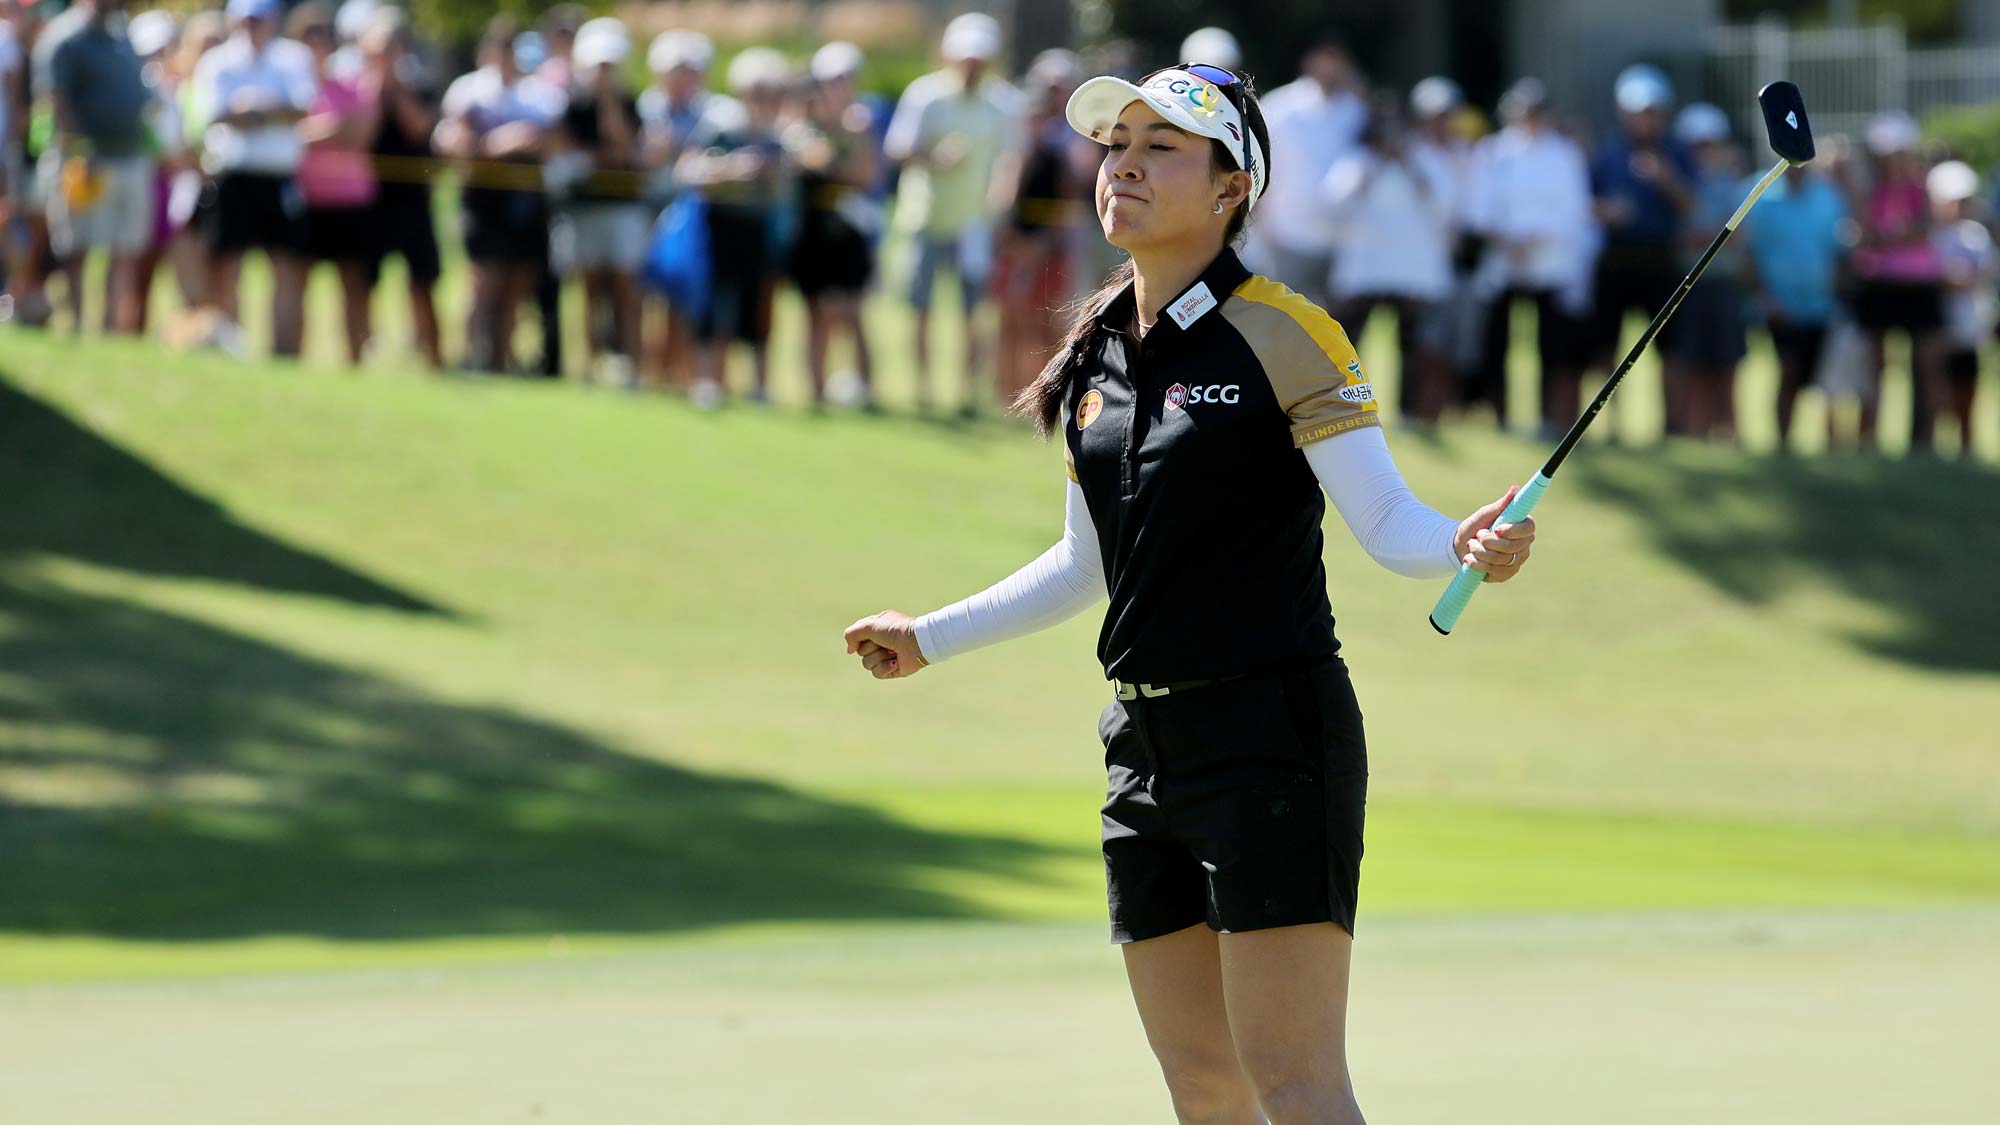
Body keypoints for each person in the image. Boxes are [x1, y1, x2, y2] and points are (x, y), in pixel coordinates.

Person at [842, 64, 1539, 1125]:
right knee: (1204, 1091)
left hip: (1269, 735)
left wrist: (1462, 541)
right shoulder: (1093, 359)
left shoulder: (1286, 332)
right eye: (1115, 143)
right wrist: (927, 635)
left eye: (1160, 147)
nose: (1123, 162)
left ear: (1229, 189)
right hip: (1141, 750)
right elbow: (1086, 565)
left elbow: (1391, 526)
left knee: (1295, 1085)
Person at [882, 11, 1021, 415]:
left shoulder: (1003, 102)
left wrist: (1001, 204)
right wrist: (934, 158)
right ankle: (923, 391)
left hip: (974, 224)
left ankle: (965, 392)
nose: (971, 67)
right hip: (924, 219)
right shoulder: (924, 94)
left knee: (972, 312)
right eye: (966, 59)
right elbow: (899, 150)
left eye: (978, 59)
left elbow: (1011, 160)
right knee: (920, 308)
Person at [1465, 77, 1594, 433]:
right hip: (1502, 264)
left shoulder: (1564, 154)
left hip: (1550, 265)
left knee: (1550, 347)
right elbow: (1479, 209)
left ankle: (1546, 419)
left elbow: (1572, 210)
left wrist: (1535, 241)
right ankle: (1501, 417)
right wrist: (1508, 242)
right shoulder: (1492, 151)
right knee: (1498, 344)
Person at [191, 0, 318, 358]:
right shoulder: (217, 62)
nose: (251, 28)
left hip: (278, 178)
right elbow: (216, 114)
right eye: (245, 21)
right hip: (233, 177)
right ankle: (235, 349)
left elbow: (301, 109)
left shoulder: (293, 58)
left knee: (286, 267)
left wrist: (250, 111)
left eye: (258, 20)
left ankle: (283, 352)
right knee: (228, 265)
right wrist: (270, 111)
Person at [435, 16, 561, 374]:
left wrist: (500, 144)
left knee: (517, 285)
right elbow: (458, 146)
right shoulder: (468, 91)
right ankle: (473, 357)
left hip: (526, 200)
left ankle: (501, 361)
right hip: (482, 198)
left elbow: (552, 143)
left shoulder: (540, 94)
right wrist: (505, 143)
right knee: (482, 281)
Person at [1319, 96, 1455, 426]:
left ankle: (1408, 412)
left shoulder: (1424, 162)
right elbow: (1332, 206)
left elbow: (1446, 209)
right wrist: (1373, 169)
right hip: (1365, 270)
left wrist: (1409, 167)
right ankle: (1346, 404)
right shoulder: (1357, 162)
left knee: (1409, 344)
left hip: (1409, 272)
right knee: (1349, 342)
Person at [676, 45, 793, 408]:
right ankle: (710, 381)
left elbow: (782, 190)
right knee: (715, 305)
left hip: (758, 229)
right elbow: (689, 171)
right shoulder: (720, 130)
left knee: (756, 307)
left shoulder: (776, 139)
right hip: (719, 227)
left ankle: (759, 386)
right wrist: (734, 168)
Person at [1589, 63, 1693, 436]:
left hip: (1661, 261)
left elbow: (1687, 203)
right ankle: (1611, 425)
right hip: (1615, 259)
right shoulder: (1607, 151)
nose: (1644, 119)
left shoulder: (1676, 152)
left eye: (1651, 111)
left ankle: (1672, 425)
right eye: (1637, 112)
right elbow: (1587, 203)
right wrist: (1607, 212)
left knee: (1671, 349)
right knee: (1608, 347)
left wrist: (1665, 177)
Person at [43, 0, 152, 335]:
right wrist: (79, 150)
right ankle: (78, 324)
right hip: (87, 160)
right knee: (80, 246)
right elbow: (56, 100)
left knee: (125, 248)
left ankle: (111, 329)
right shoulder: (66, 38)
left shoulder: (123, 35)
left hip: (130, 157)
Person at [548, 16, 645, 385]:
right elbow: (564, 150)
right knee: (588, 291)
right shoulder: (571, 105)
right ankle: (589, 366)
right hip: (584, 209)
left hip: (622, 207)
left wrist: (608, 103)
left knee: (626, 290)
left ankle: (632, 367)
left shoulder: (629, 104)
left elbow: (623, 148)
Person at [637, 28, 737, 391]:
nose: (681, 79)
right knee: (649, 296)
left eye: (689, 71)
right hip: (648, 211)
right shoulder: (646, 108)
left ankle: (684, 374)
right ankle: (651, 372)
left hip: (698, 219)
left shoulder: (720, 113)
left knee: (685, 300)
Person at [786, 40, 880, 410]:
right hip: (812, 233)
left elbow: (863, 174)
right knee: (816, 316)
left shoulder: (857, 125)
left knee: (853, 315)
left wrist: (833, 159)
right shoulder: (800, 127)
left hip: (848, 235)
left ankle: (866, 390)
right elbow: (808, 159)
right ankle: (817, 393)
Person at [1241, 40, 1366, 310]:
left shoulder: (1355, 109)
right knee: (1287, 315)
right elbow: (1260, 162)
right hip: (1287, 232)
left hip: (1341, 239)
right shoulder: (1280, 105)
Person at [1846, 111, 1944, 452]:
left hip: (1920, 284)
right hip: (1880, 284)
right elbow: (1865, 235)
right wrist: (1896, 236)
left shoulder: (1921, 187)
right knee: (1877, 368)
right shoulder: (1871, 189)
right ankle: (1869, 439)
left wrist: (1888, 237)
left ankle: (1924, 444)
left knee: (1927, 366)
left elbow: (1923, 228)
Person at [991, 47, 1082, 405]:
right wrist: (1012, 242)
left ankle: (1045, 397)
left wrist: (1040, 245)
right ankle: (1006, 397)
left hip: (1048, 248)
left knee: (1047, 324)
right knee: (1009, 319)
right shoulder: (1015, 147)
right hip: (1016, 245)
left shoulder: (1064, 149)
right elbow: (1002, 200)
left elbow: (1067, 205)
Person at [290, 2, 379, 364]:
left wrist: (304, 131)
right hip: (305, 200)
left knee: (355, 287)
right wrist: (334, 127)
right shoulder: (292, 86)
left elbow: (359, 132)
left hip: (351, 202)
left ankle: (356, 361)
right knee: (296, 286)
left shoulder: (354, 84)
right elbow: (337, 128)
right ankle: (292, 357)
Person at [1741, 157, 1848, 452]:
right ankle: (1784, 443)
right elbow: (1748, 254)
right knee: (1788, 371)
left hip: (1821, 306)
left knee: (1825, 379)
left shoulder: (1828, 197)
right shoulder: (1762, 194)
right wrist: (1766, 299)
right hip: (1781, 308)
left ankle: (1832, 447)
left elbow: (1840, 252)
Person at [357, 7, 440, 368]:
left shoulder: (420, 84)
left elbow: (419, 127)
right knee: (364, 283)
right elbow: (364, 131)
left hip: (413, 200)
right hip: (368, 199)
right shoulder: (358, 86)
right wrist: (378, 86)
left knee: (423, 283)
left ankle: (433, 356)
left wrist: (396, 89)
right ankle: (361, 351)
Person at [1662, 102, 1748, 442]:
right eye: (1698, 145)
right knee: (1693, 366)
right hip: (1690, 286)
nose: (1704, 151)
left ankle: (1728, 434)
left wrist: (1702, 236)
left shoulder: (1731, 180)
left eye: (1710, 143)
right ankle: (1695, 433)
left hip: (1724, 283)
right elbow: (1680, 239)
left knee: (1726, 366)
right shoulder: (1680, 181)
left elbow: (1737, 236)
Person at [1927, 159, 1993, 457]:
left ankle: (1967, 446)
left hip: (1966, 327)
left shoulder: (1976, 235)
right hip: (1939, 326)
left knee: (1966, 388)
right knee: (1938, 388)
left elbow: (1983, 275)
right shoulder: (1932, 236)